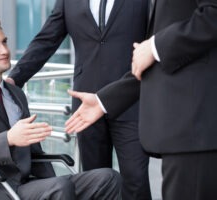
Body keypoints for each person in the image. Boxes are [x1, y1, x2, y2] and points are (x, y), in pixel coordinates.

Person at [0, 17, 122, 200]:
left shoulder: (16, 94)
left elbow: (35, 153)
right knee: (59, 187)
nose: (4, 50)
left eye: (4, 42)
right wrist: (8, 139)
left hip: (27, 184)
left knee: (107, 178)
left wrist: (52, 180)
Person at [65, 0, 217, 199]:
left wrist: (155, 46)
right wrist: (104, 101)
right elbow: (151, 64)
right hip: (187, 135)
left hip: (196, 131)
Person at [6, 1, 151, 199]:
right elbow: (47, 39)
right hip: (85, 105)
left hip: (131, 100)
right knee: (95, 181)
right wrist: (15, 78)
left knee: (136, 179)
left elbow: (155, 38)